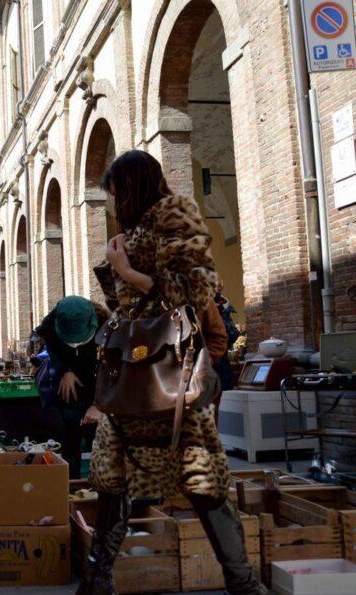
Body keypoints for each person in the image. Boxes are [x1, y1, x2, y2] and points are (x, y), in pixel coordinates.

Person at [77, 150, 265, 594]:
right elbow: (131, 306)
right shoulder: (137, 228)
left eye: (116, 191)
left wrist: (125, 269)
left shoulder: (175, 214)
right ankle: (98, 581)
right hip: (134, 377)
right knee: (110, 474)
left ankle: (243, 583)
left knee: (201, 478)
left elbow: (196, 289)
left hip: (171, 374)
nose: (112, 202)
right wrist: (116, 270)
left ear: (134, 184)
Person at [34, 295, 101, 479]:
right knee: (70, 443)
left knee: (101, 448)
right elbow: (54, 353)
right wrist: (65, 370)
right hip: (69, 395)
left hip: (99, 393)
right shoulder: (50, 327)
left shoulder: (107, 328)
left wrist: (98, 404)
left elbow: (112, 372)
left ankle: (100, 493)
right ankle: (72, 489)